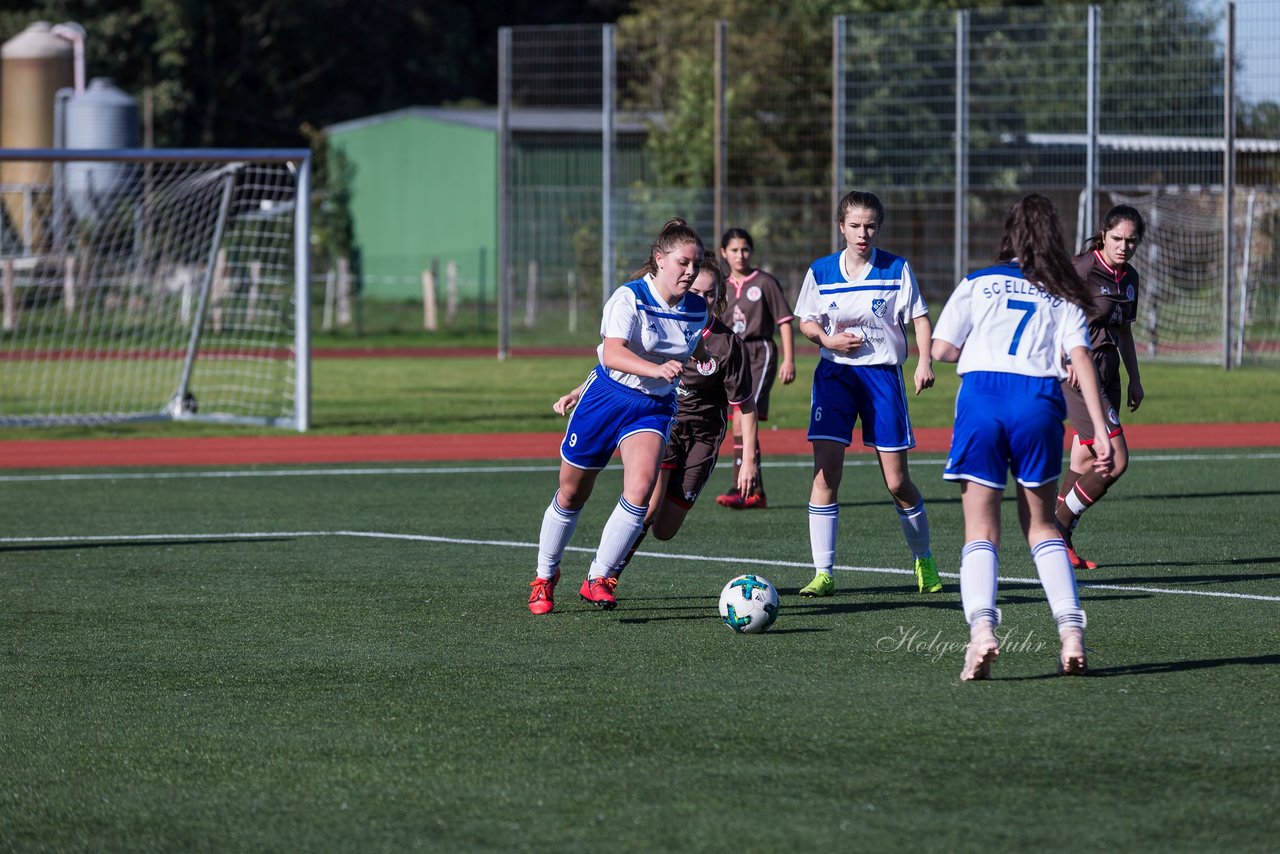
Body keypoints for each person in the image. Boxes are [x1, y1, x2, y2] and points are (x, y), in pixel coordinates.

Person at [931, 193, 1115, 680]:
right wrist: (1099, 432)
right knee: (1041, 527)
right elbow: (1080, 360)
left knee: (980, 531)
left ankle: (982, 633)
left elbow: (943, 349)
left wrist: (985, 343)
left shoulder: (979, 281)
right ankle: (1071, 633)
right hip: (1038, 402)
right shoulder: (1064, 290)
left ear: (1009, 234)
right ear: (1053, 237)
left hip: (983, 397)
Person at [527, 218, 709, 615]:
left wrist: (699, 356)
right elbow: (612, 353)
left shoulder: (698, 309)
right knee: (572, 492)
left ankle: (599, 577)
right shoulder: (629, 297)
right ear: (659, 260)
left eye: (696, 264)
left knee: (641, 489)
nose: (691, 271)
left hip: (653, 407)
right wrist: (655, 369)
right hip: (607, 398)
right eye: (683, 263)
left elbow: (683, 344)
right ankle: (545, 576)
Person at [552, 253, 759, 593]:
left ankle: (605, 570)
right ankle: (604, 576)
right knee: (646, 504)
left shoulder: (728, 345)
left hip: (704, 435)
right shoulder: (663, 322)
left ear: (719, 297)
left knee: (665, 528)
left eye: (710, 294)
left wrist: (747, 461)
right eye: (696, 290)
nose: (701, 299)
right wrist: (578, 391)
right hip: (664, 422)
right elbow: (618, 367)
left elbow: (745, 407)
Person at [792, 190, 941, 598]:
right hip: (835, 378)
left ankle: (923, 557)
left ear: (879, 226)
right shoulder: (821, 271)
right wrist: (825, 338)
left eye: (870, 225)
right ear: (841, 226)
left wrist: (924, 360)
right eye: (855, 225)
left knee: (897, 482)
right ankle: (823, 573)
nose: (863, 233)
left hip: (882, 379)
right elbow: (806, 320)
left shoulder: (896, 268)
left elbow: (920, 318)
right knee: (826, 473)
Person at [1055, 204, 1147, 570]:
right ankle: (1057, 527)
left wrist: (1135, 379)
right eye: (1117, 238)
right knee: (1115, 459)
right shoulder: (1081, 269)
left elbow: (1123, 330)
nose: (1124, 246)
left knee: (1084, 458)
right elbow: (1054, 314)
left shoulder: (1130, 278)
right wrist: (1066, 356)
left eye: (1131, 240)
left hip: (1110, 375)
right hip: (1081, 375)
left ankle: (1058, 544)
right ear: (1104, 234)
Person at [714, 228, 796, 509]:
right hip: (732, 355)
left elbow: (784, 320)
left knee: (741, 416)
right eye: (734, 250)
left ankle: (742, 487)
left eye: (745, 249)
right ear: (724, 252)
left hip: (760, 353)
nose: (740, 255)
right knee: (735, 420)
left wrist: (788, 359)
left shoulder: (764, 282)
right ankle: (754, 490)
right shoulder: (718, 284)